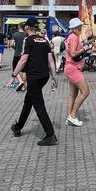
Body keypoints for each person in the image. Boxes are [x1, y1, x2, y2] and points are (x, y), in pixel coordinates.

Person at [8, 17, 59, 146]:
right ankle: (18, 127)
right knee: (28, 101)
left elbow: (24, 59)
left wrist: (14, 75)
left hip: (34, 77)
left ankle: (50, 134)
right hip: (44, 76)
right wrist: (54, 76)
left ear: (26, 28)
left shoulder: (28, 39)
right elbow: (51, 61)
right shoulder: (44, 40)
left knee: (38, 105)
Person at [64, 18, 89, 127]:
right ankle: (73, 116)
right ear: (76, 27)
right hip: (73, 68)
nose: (81, 27)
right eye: (80, 26)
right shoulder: (74, 37)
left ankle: (69, 116)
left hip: (70, 67)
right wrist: (84, 49)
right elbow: (74, 53)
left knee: (73, 94)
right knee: (85, 92)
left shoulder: (71, 37)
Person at [10, 23, 27, 92]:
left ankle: (20, 82)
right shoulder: (26, 34)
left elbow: (11, 44)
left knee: (16, 69)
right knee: (24, 70)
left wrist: (15, 47)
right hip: (25, 55)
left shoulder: (15, 34)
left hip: (17, 54)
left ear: (18, 27)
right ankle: (24, 86)